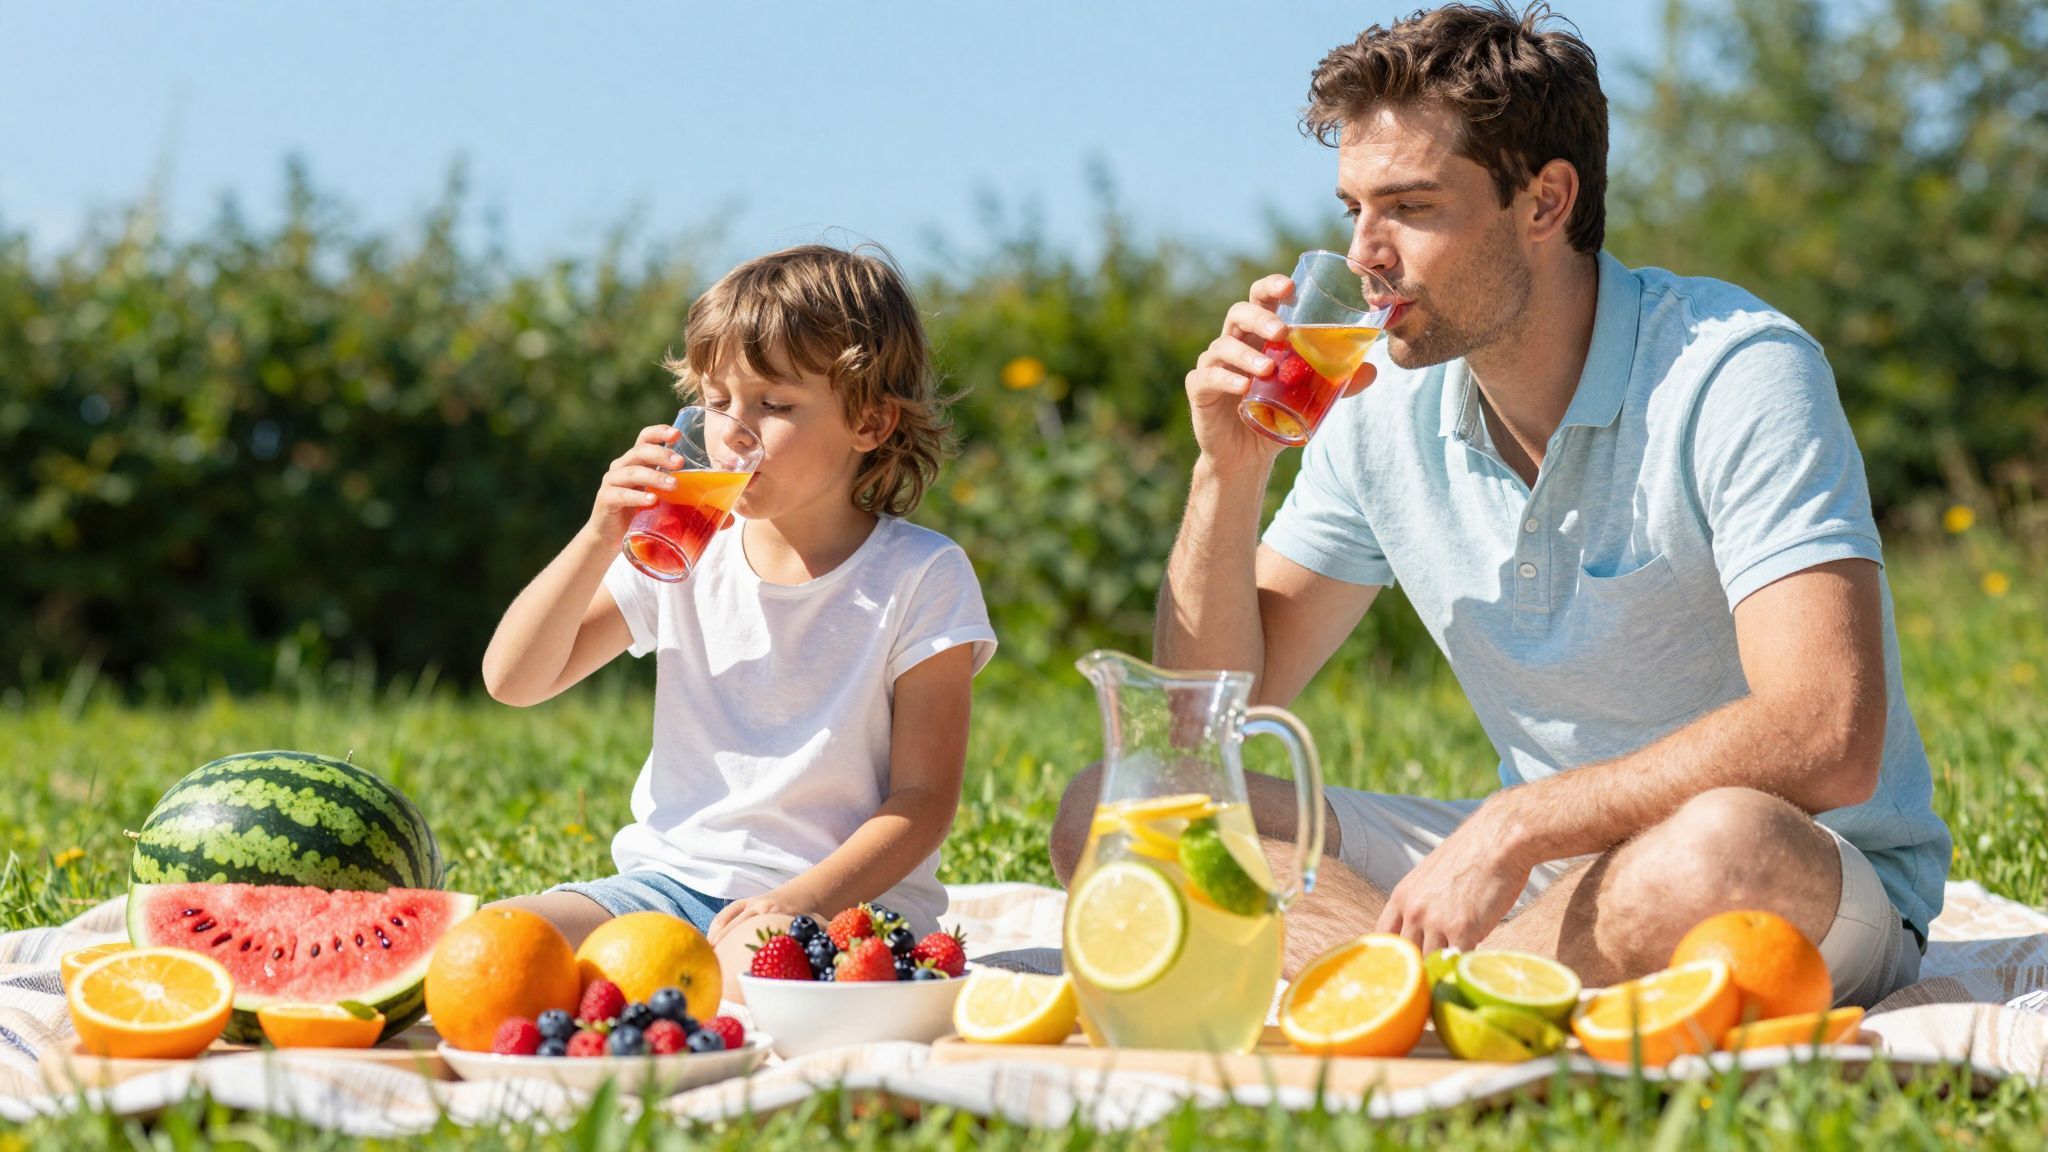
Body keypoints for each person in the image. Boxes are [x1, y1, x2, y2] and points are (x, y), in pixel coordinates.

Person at [1050, 1, 1948, 1008]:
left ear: (1543, 202)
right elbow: (1207, 726)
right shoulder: (1374, 403)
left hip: (1793, 862)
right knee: (1130, 810)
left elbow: (1825, 733)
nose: (1363, 255)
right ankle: (1450, 1004)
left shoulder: (1733, 370)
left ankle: (1403, 1003)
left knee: (1712, 848)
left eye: (1410, 208)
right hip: (1548, 869)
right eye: (1352, 208)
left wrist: (1516, 825)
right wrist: (1226, 471)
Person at [482, 244, 996, 998]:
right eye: (716, 401)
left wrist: (801, 901)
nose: (732, 431)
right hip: (667, 887)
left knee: (735, 982)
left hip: (843, 903)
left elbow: (923, 801)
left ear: (872, 422)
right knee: (495, 947)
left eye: (774, 405)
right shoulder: (685, 544)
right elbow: (513, 680)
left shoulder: (922, 575)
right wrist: (599, 536)